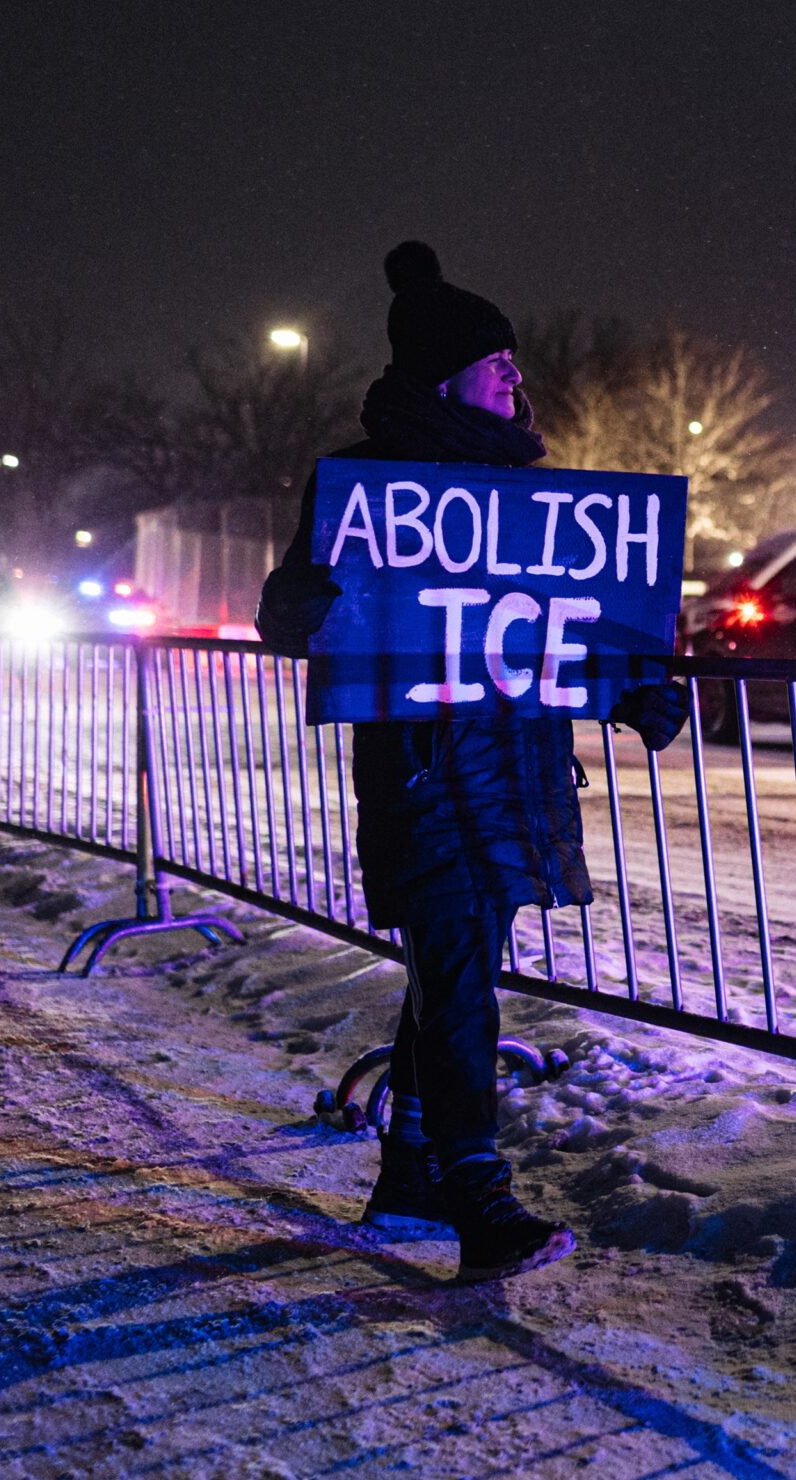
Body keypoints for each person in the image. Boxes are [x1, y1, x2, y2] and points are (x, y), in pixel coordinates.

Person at [258, 240, 685, 1282]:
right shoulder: (368, 486)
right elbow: (284, 615)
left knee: (456, 976)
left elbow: (556, 623)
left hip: (518, 770)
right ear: (448, 372)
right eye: (500, 364)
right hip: (424, 769)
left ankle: (410, 1166)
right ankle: (478, 1198)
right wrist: (316, 602)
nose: (517, 379)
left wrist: (634, 685)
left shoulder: (529, 501)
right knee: (458, 986)